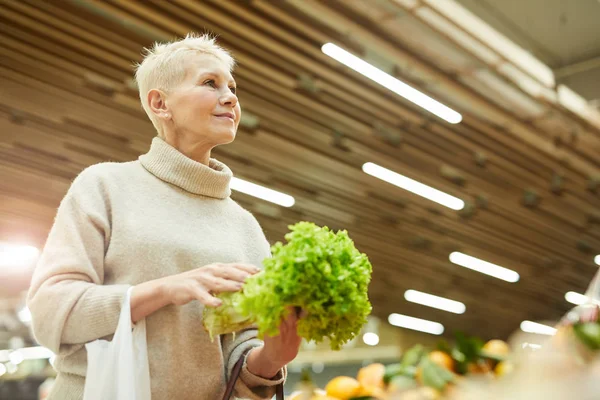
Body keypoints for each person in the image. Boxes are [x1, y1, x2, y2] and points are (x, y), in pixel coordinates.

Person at [27, 33, 302, 400]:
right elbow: (51, 312)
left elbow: (240, 364)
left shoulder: (245, 228)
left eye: (233, 87)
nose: (231, 97)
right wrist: (163, 289)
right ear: (160, 103)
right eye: (210, 83)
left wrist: (272, 358)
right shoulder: (105, 185)